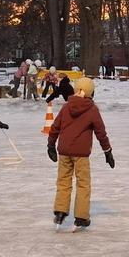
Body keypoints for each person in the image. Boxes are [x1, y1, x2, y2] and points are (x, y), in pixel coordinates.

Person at [47, 78, 114, 231]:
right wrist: (107, 151)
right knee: (83, 183)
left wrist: (51, 145)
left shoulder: (66, 107)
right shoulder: (92, 109)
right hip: (81, 154)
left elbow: (55, 127)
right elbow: (101, 132)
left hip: (64, 151)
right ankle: (81, 217)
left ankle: (60, 212)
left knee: (63, 182)